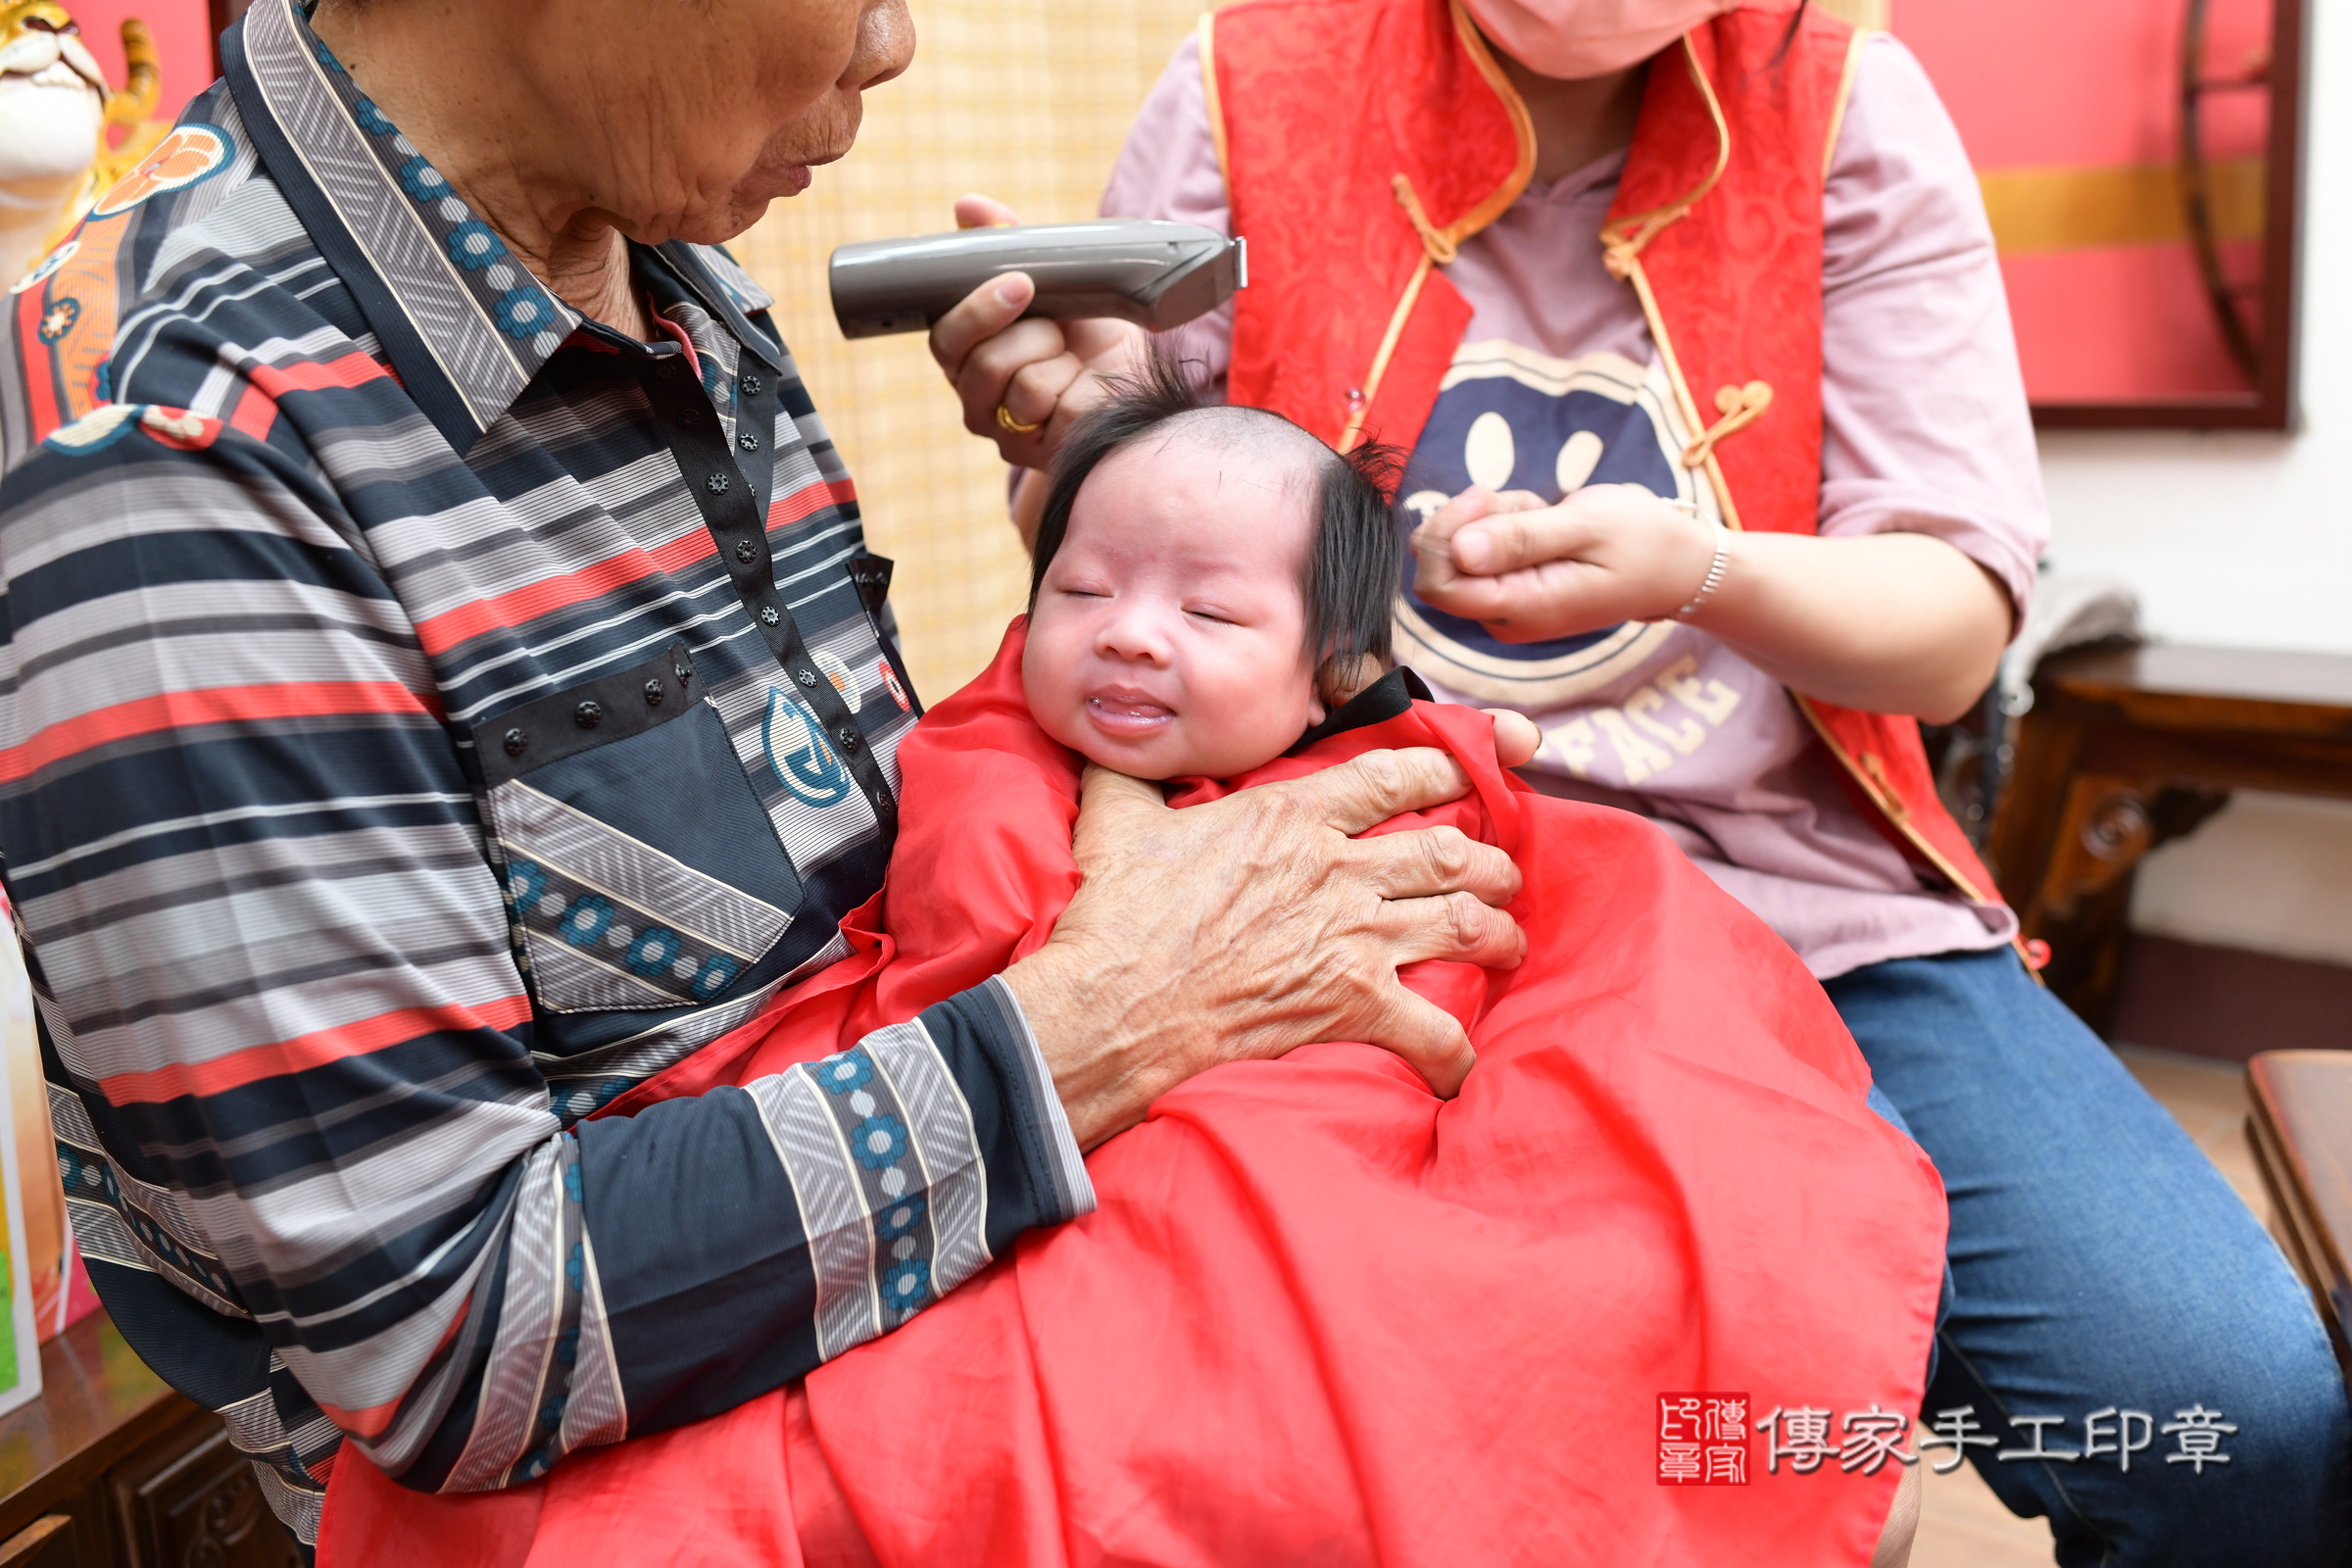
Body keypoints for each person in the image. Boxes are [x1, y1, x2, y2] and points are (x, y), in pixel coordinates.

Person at [0, 0, 1537, 1550]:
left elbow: (857, 899)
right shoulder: (165, 448)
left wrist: (1131, 569)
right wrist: (1108, 1019)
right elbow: (447, 1333)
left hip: (941, 1301)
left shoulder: (667, 271)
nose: (895, 44)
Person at [927, 0, 2352, 1561]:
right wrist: (1089, 432)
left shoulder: (1847, 115)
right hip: (1362, 894)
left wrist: (1704, 570)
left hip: (1810, 909)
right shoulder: (1246, 84)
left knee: (2231, 1420)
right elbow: (1144, 572)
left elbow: (1950, 631)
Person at [319, 360, 1945, 1566]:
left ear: (1331, 674)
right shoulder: (990, 751)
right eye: (1084, 588)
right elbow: (971, 938)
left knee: (1543, 1266)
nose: (1132, 632)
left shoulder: (1393, 772)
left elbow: (1519, 924)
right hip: (1082, 1107)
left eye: (1209, 612)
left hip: (1348, 1106)